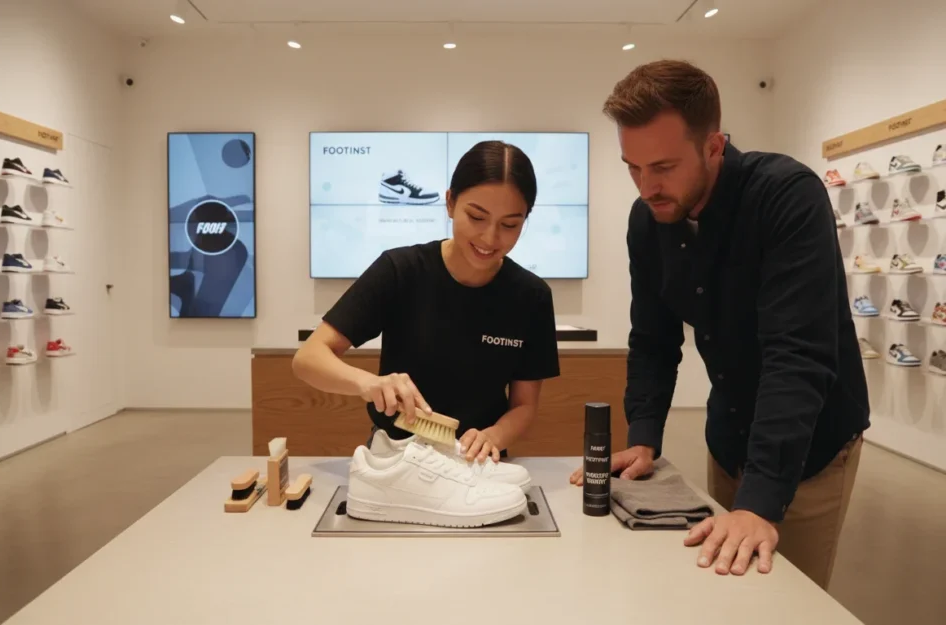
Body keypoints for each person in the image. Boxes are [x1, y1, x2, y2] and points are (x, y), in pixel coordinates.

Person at [570, 60, 869, 590]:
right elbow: (653, 339)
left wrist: (759, 502)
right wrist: (644, 437)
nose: (646, 186)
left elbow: (796, 356)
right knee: (721, 592)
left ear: (714, 146)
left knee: (783, 602)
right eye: (632, 167)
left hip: (809, 450)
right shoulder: (649, 220)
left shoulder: (787, 197)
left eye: (662, 166)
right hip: (728, 437)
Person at [292, 140, 560, 463]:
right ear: (449, 203)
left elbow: (524, 406)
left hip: (477, 463)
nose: (490, 238)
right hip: (396, 460)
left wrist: (494, 436)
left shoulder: (531, 297)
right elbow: (308, 358)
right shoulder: (400, 271)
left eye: (509, 225)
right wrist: (369, 383)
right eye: (476, 217)